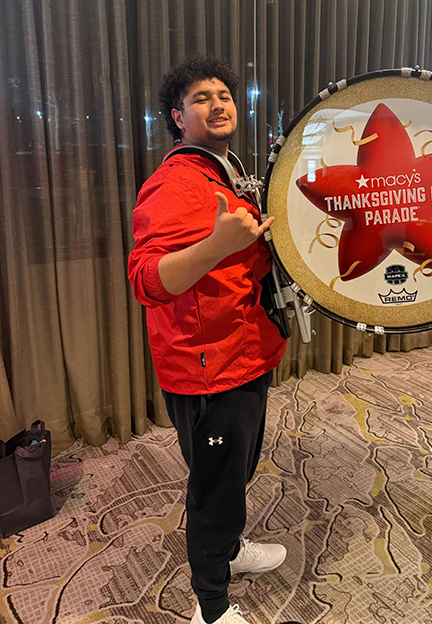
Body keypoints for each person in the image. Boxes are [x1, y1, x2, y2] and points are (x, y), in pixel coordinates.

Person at [128, 54, 288, 624]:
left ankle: (229, 550)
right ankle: (212, 608)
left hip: (245, 352)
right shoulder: (174, 183)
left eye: (224, 95)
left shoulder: (227, 169)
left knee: (237, 472)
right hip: (206, 366)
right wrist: (215, 246)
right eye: (201, 98)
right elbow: (147, 281)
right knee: (214, 489)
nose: (218, 104)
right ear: (177, 116)